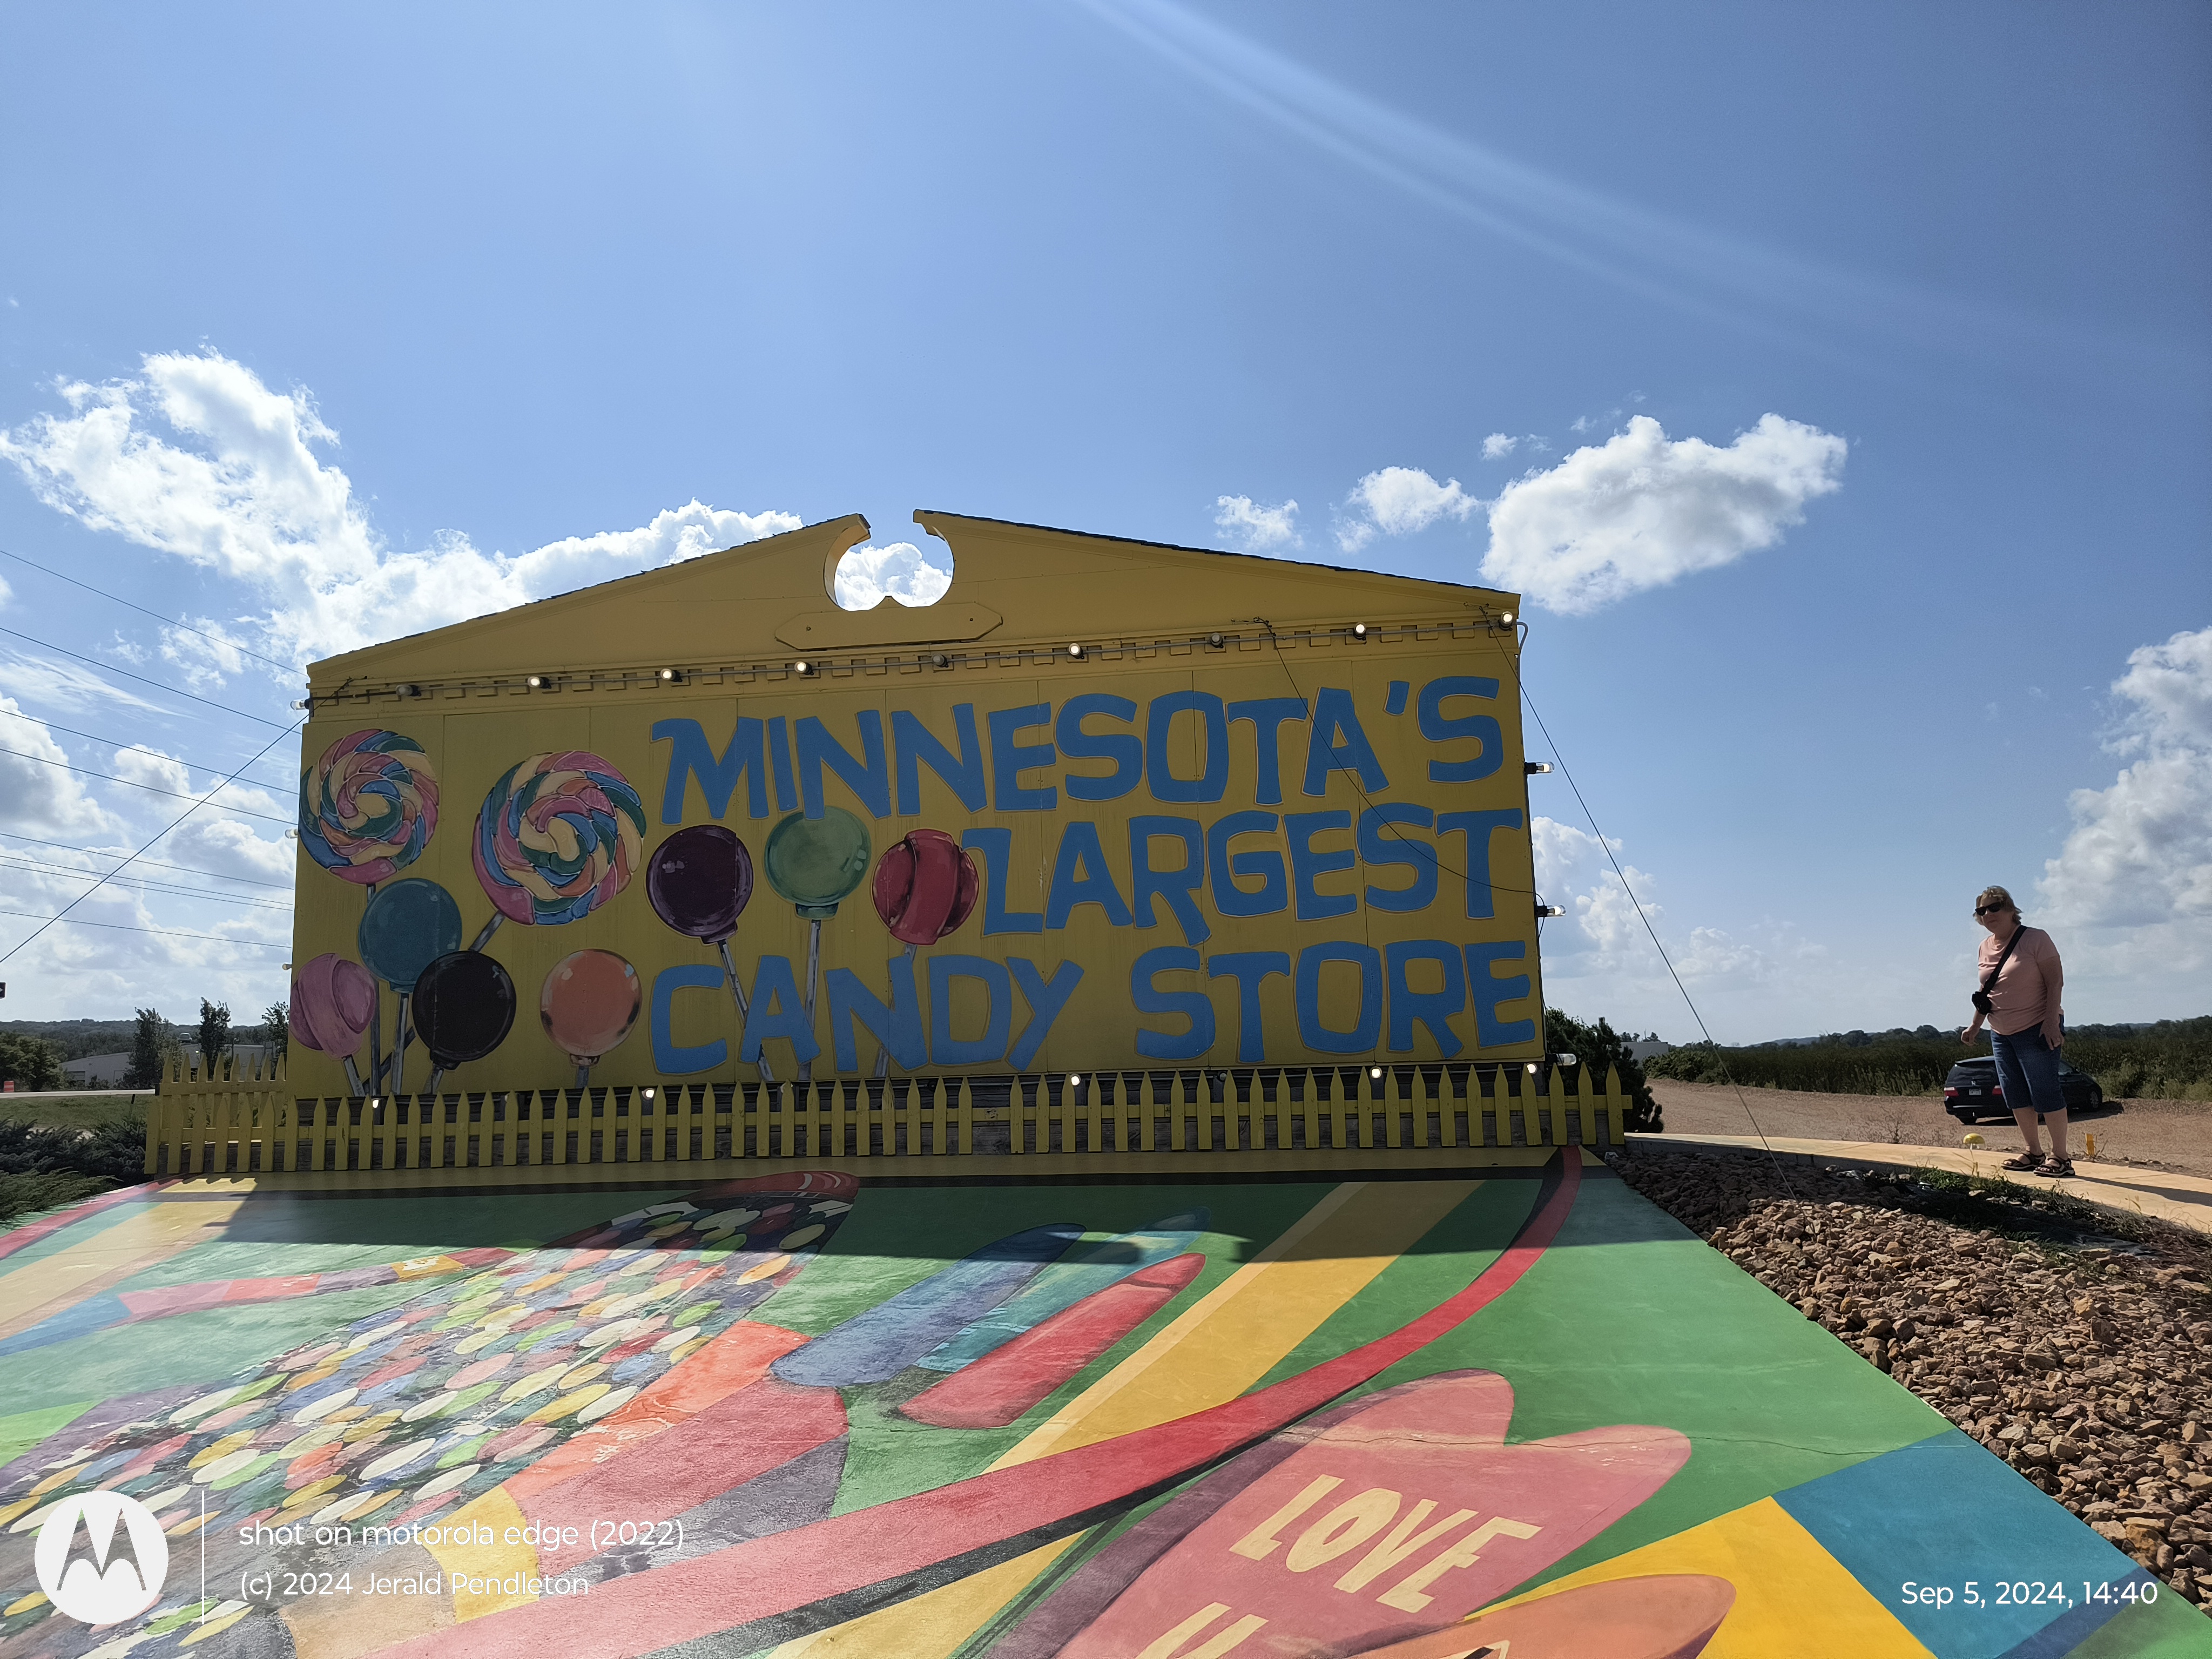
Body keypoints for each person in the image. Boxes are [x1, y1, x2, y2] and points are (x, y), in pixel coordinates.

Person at [1960, 885, 2071, 1177]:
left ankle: (2062, 1158)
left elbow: (2055, 982)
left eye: (1994, 907)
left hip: (2036, 1026)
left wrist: (2050, 1022)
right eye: (1981, 910)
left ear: (2010, 909)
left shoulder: (2036, 939)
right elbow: (1987, 991)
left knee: (2045, 1091)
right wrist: (1975, 1025)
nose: (1988, 914)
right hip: (2001, 1031)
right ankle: (2034, 1152)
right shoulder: (1985, 946)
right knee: (2016, 1095)